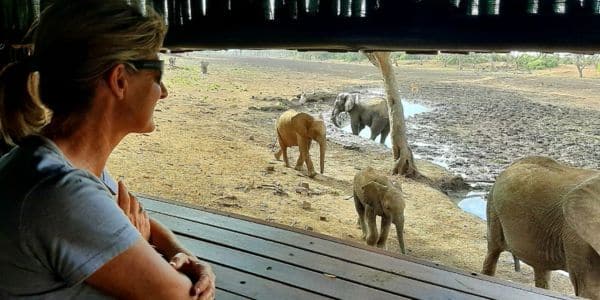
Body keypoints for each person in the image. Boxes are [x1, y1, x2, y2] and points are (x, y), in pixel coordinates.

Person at [0, 1, 215, 299]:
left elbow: (136, 219)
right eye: (157, 77)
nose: (163, 92)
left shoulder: (54, 161)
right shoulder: (61, 192)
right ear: (120, 81)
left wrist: (184, 255)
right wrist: (147, 248)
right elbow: (186, 296)